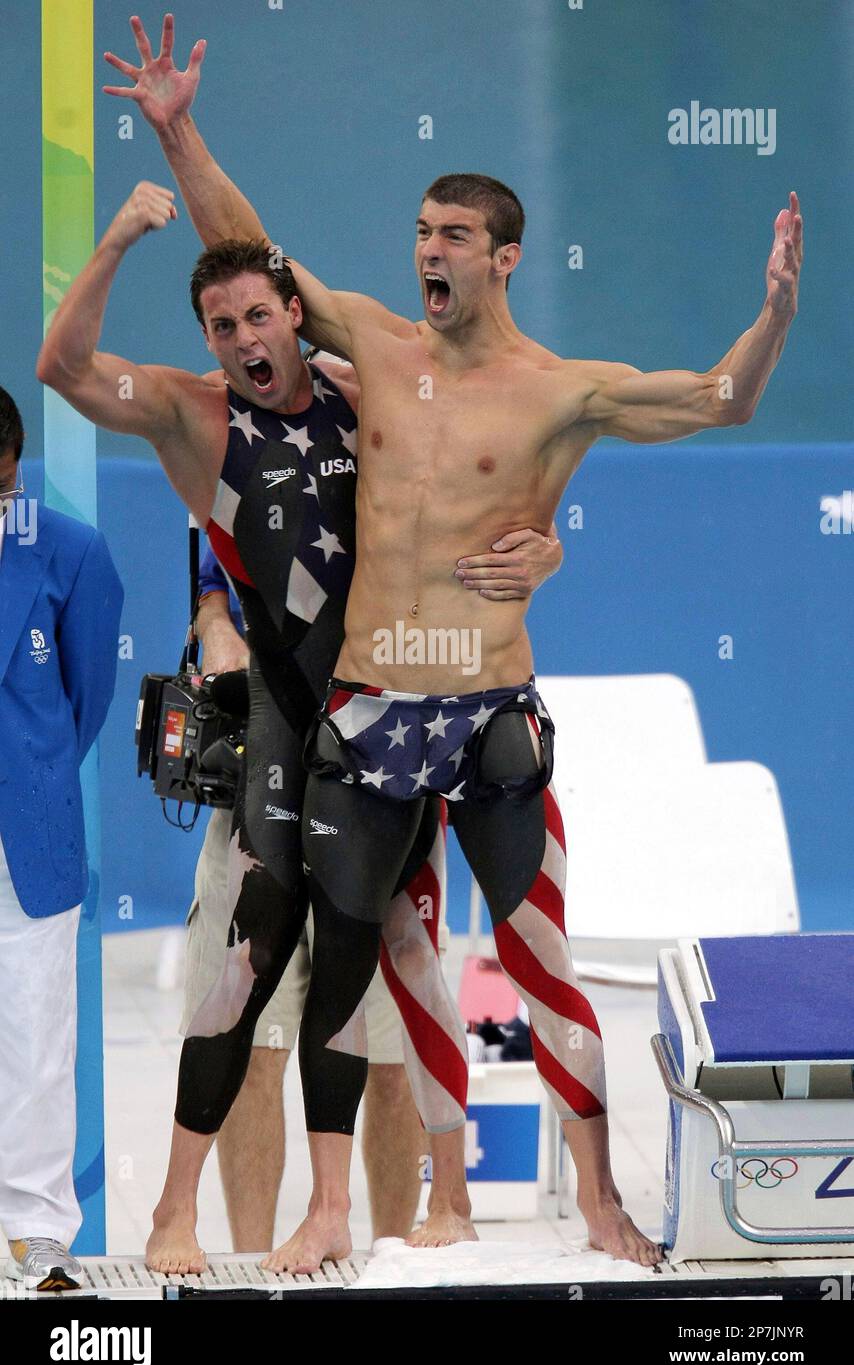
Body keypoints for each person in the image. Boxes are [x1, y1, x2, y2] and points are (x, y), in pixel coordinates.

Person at [108, 14, 803, 1271]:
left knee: (540, 962)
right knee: (354, 969)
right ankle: (351, 1209)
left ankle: (596, 1198)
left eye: (452, 239)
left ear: (504, 258)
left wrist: (769, 315)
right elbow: (246, 250)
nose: (427, 252)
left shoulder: (556, 387)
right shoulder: (374, 344)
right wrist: (178, 129)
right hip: (371, 716)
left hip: (487, 710)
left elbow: (720, 399)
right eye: (420, 232)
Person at [37, 179, 562, 1273]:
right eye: (220, 327)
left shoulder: (355, 388)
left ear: (294, 313)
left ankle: (374, 1226)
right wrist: (127, 232)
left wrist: (544, 546)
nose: (241, 339)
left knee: (380, 979)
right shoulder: (197, 412)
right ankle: (178, 1218)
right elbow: (63, 368)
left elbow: (485, 485)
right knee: (245, 975)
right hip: (281, 729)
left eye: (257, 316)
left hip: (386, 726)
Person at [188, 541, 457, 1252]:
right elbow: (209, 547)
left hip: (390, 782)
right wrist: (211, 614)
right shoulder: (244, 436)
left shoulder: (416, 447)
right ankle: (254, 1268)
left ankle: (389, 1263)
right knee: (251, 1048)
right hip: (265, 768)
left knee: (394, 1064)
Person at [0, 386, 123, 1290]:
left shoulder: (67, 548)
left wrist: (32, 773)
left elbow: (85, 699)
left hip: (27, 828)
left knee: (37, 1033)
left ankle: (37, 1229)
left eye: (2, 487)